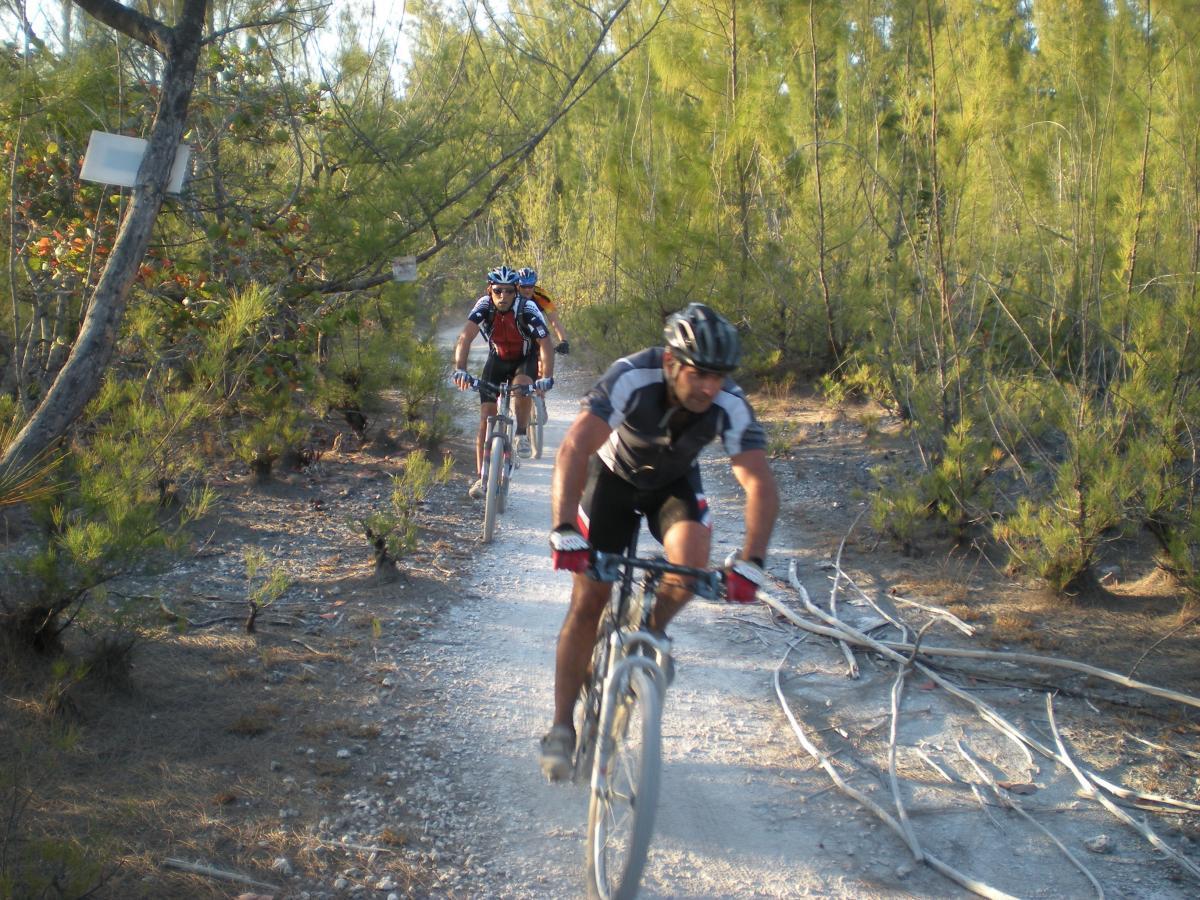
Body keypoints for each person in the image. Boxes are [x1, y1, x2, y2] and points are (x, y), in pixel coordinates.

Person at [538, 302, 779, 781]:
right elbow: (574, 447)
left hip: (672, 483)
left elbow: (758, 482)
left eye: (719, 376)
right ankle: (562, 726)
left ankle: (645, 630)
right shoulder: (633, 376)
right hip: (611, 479)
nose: (711, 387)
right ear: (672, 363)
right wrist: (565, 529)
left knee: (688, 571)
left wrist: (752, 561)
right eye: (700, 374)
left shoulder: (729, 401)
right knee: (588, 602)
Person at [451, 265, 555, 497]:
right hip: (497, 360)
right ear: (490, 289)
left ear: (516, 291)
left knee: (523, 386)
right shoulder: (484, 306)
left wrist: (546, 377)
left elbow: (546, 343)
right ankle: (481, 478)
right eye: (498, 291)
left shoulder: (527, 307)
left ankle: (519, 434)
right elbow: (465, 337)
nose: (503, 296)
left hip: (524, 359)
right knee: (485, 418)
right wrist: (460, 369)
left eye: (509, 291)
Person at [516, 268, 570, 356]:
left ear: (534, 285)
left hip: (533, 324)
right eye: (524, 286)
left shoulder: (541, 296)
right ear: (517, 285)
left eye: (530, 286)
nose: (527, 290)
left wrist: (563, 341)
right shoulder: (510, 293)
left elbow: (554, 321)